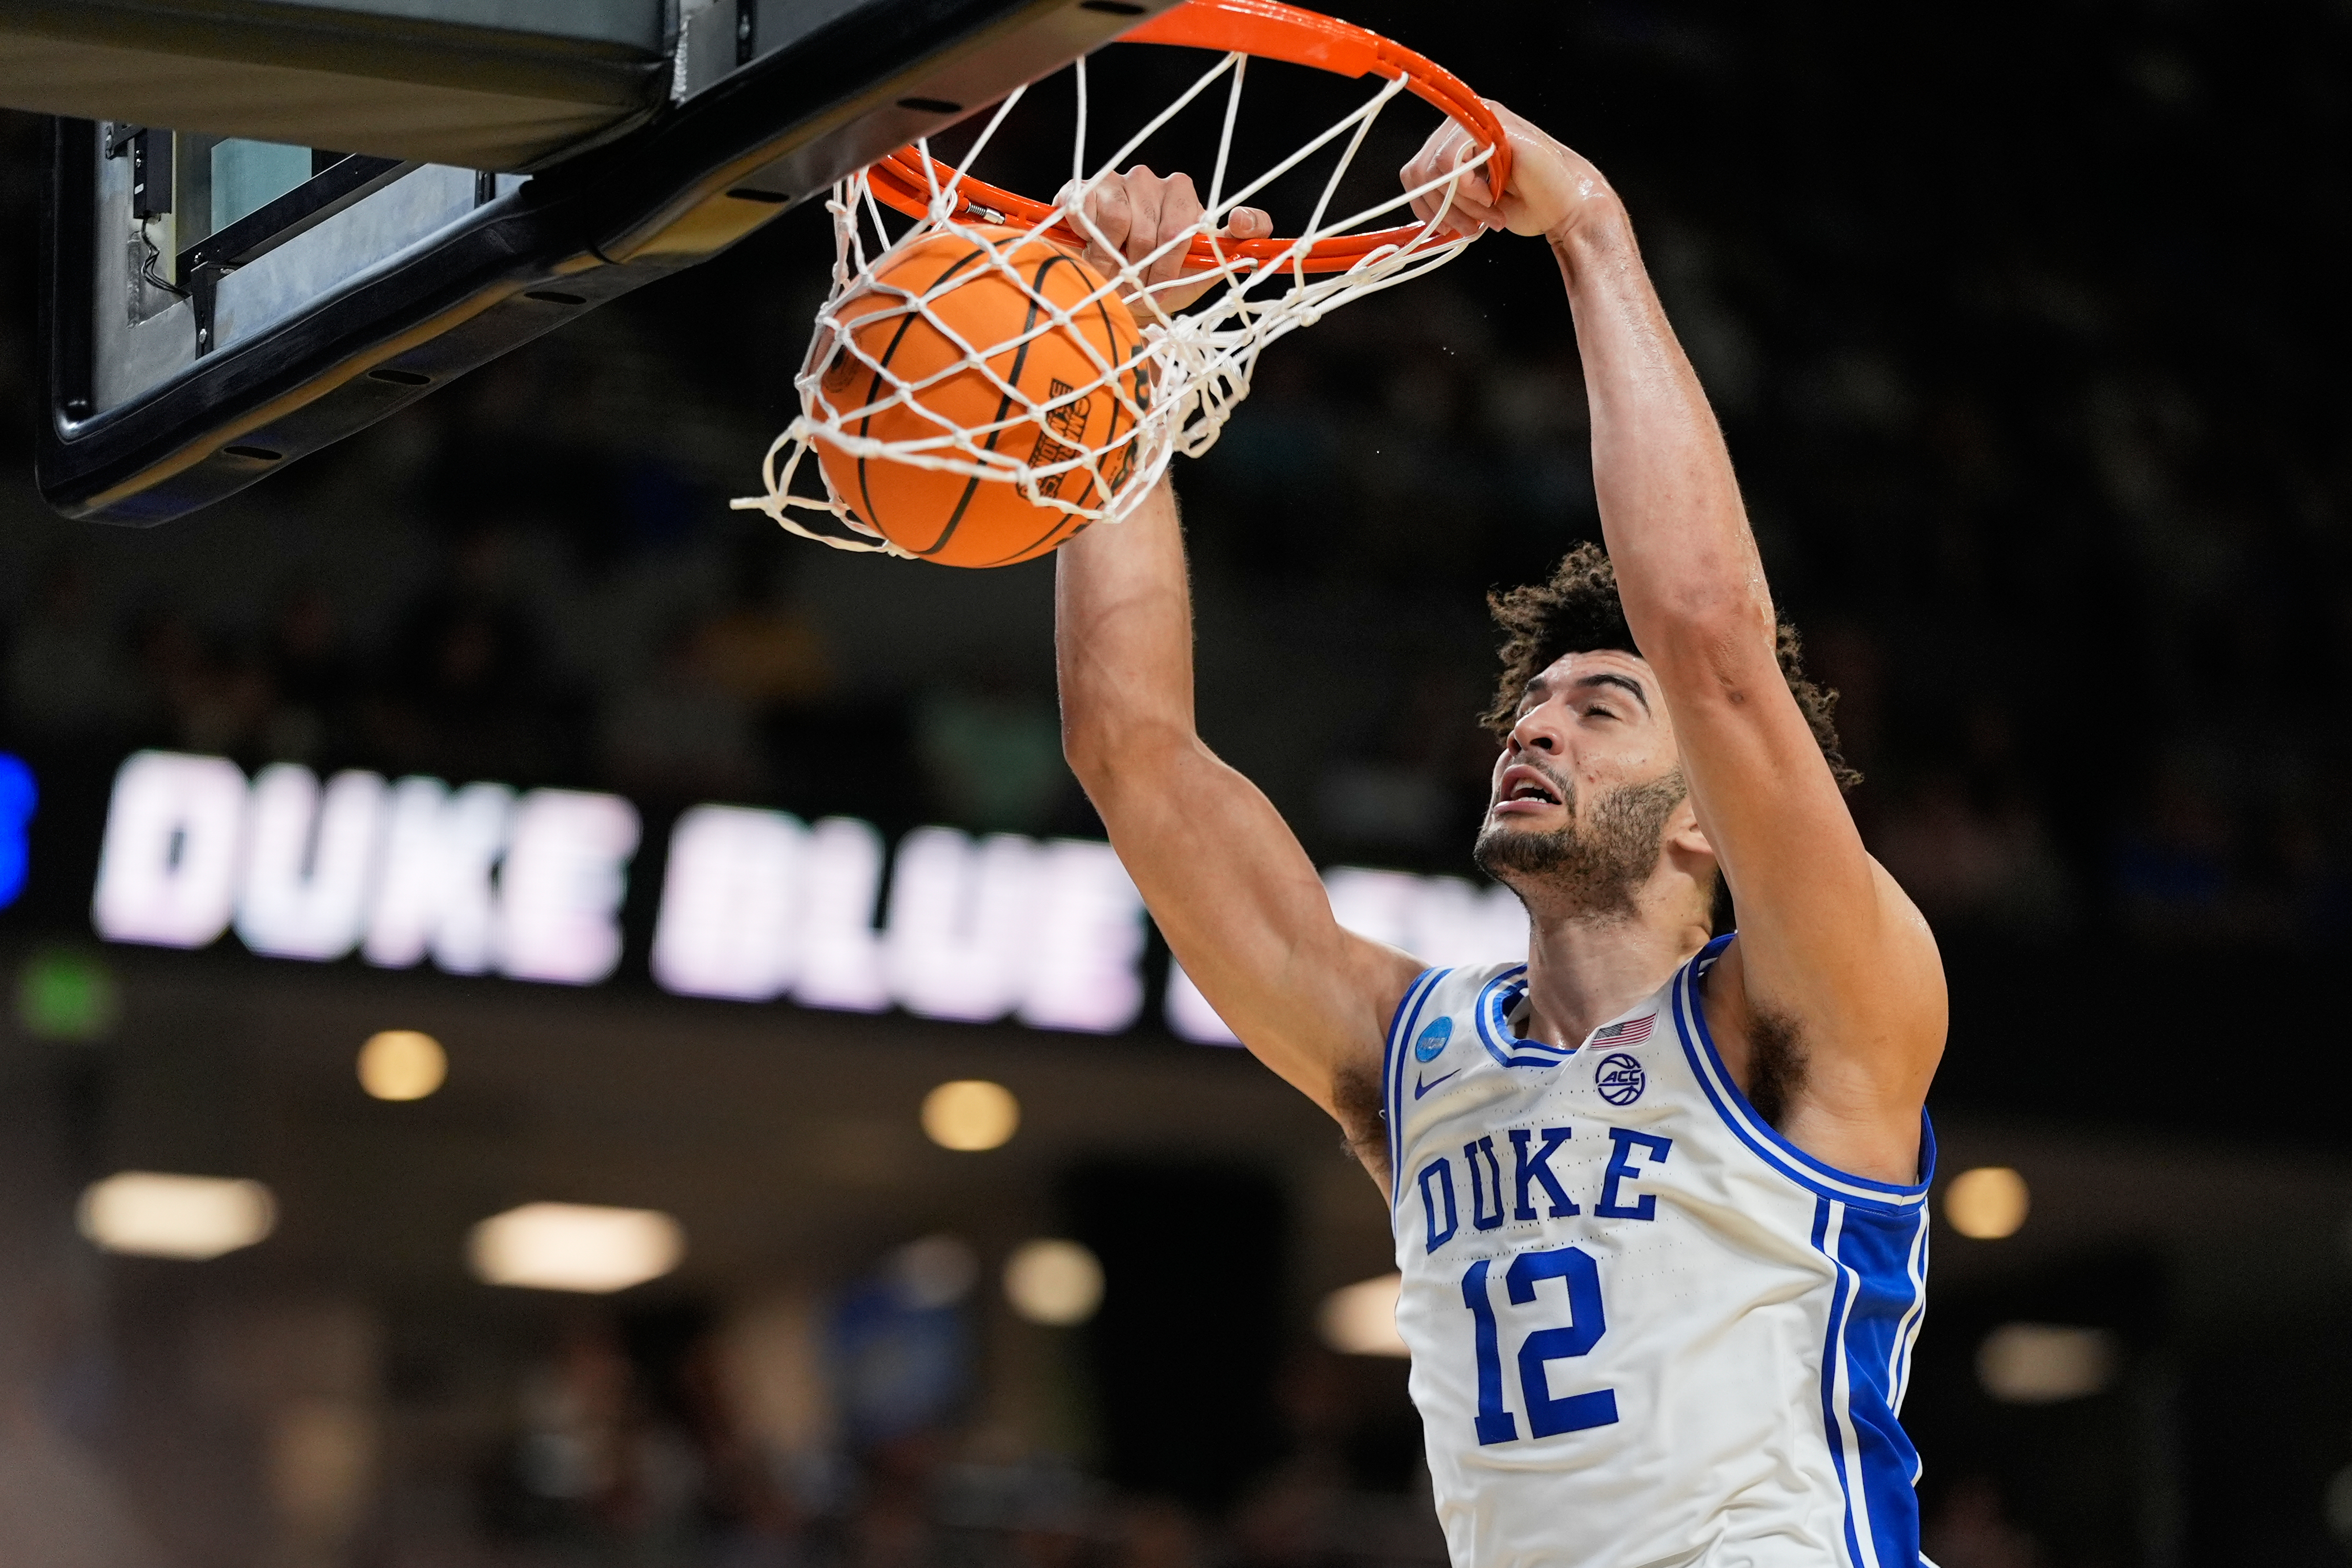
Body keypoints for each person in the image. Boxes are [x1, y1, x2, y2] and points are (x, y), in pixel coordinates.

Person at [1053, 108, 1947, 1567]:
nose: (1531, 729)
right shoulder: (1413, 1054)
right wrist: (1119, 355)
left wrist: (1586, 222)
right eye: (1529, 706)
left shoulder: (1808, 1016)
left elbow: (1713, 637)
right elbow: (1130, 755)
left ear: (1707, 824)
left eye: (1599, 708)